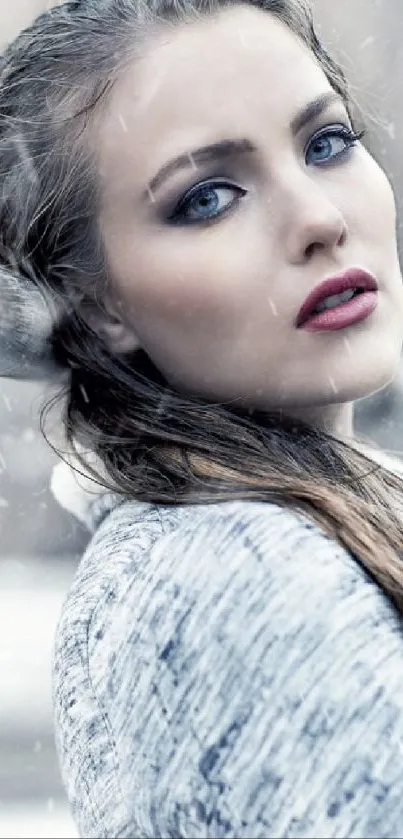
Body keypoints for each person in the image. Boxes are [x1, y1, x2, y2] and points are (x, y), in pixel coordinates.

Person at [2, 0, 403, 836]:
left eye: (326, 143)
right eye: (207, 197)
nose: (319, 219)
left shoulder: (254, 530)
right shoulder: (237, 571)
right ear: (96, 300)